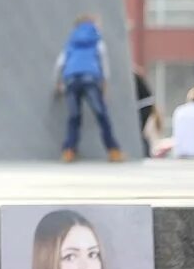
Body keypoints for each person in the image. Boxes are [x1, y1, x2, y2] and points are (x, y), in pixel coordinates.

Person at [54, 15, 124, 163]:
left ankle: (69, 151)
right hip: (90, 79)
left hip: (71, 79)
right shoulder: (97, 41)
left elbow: (60, 63)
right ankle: (113, 151)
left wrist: (58, 83)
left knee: (74, 117)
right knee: (101, 115)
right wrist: (105, 84)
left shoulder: (71, 42)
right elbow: (103, 63)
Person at [133, 66, 156, 157]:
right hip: (145, 104)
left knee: (139, 131)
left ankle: (145, 153)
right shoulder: (134, 74)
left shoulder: (131, 75)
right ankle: (145, 153)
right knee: (140, 131)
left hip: (144, 105)